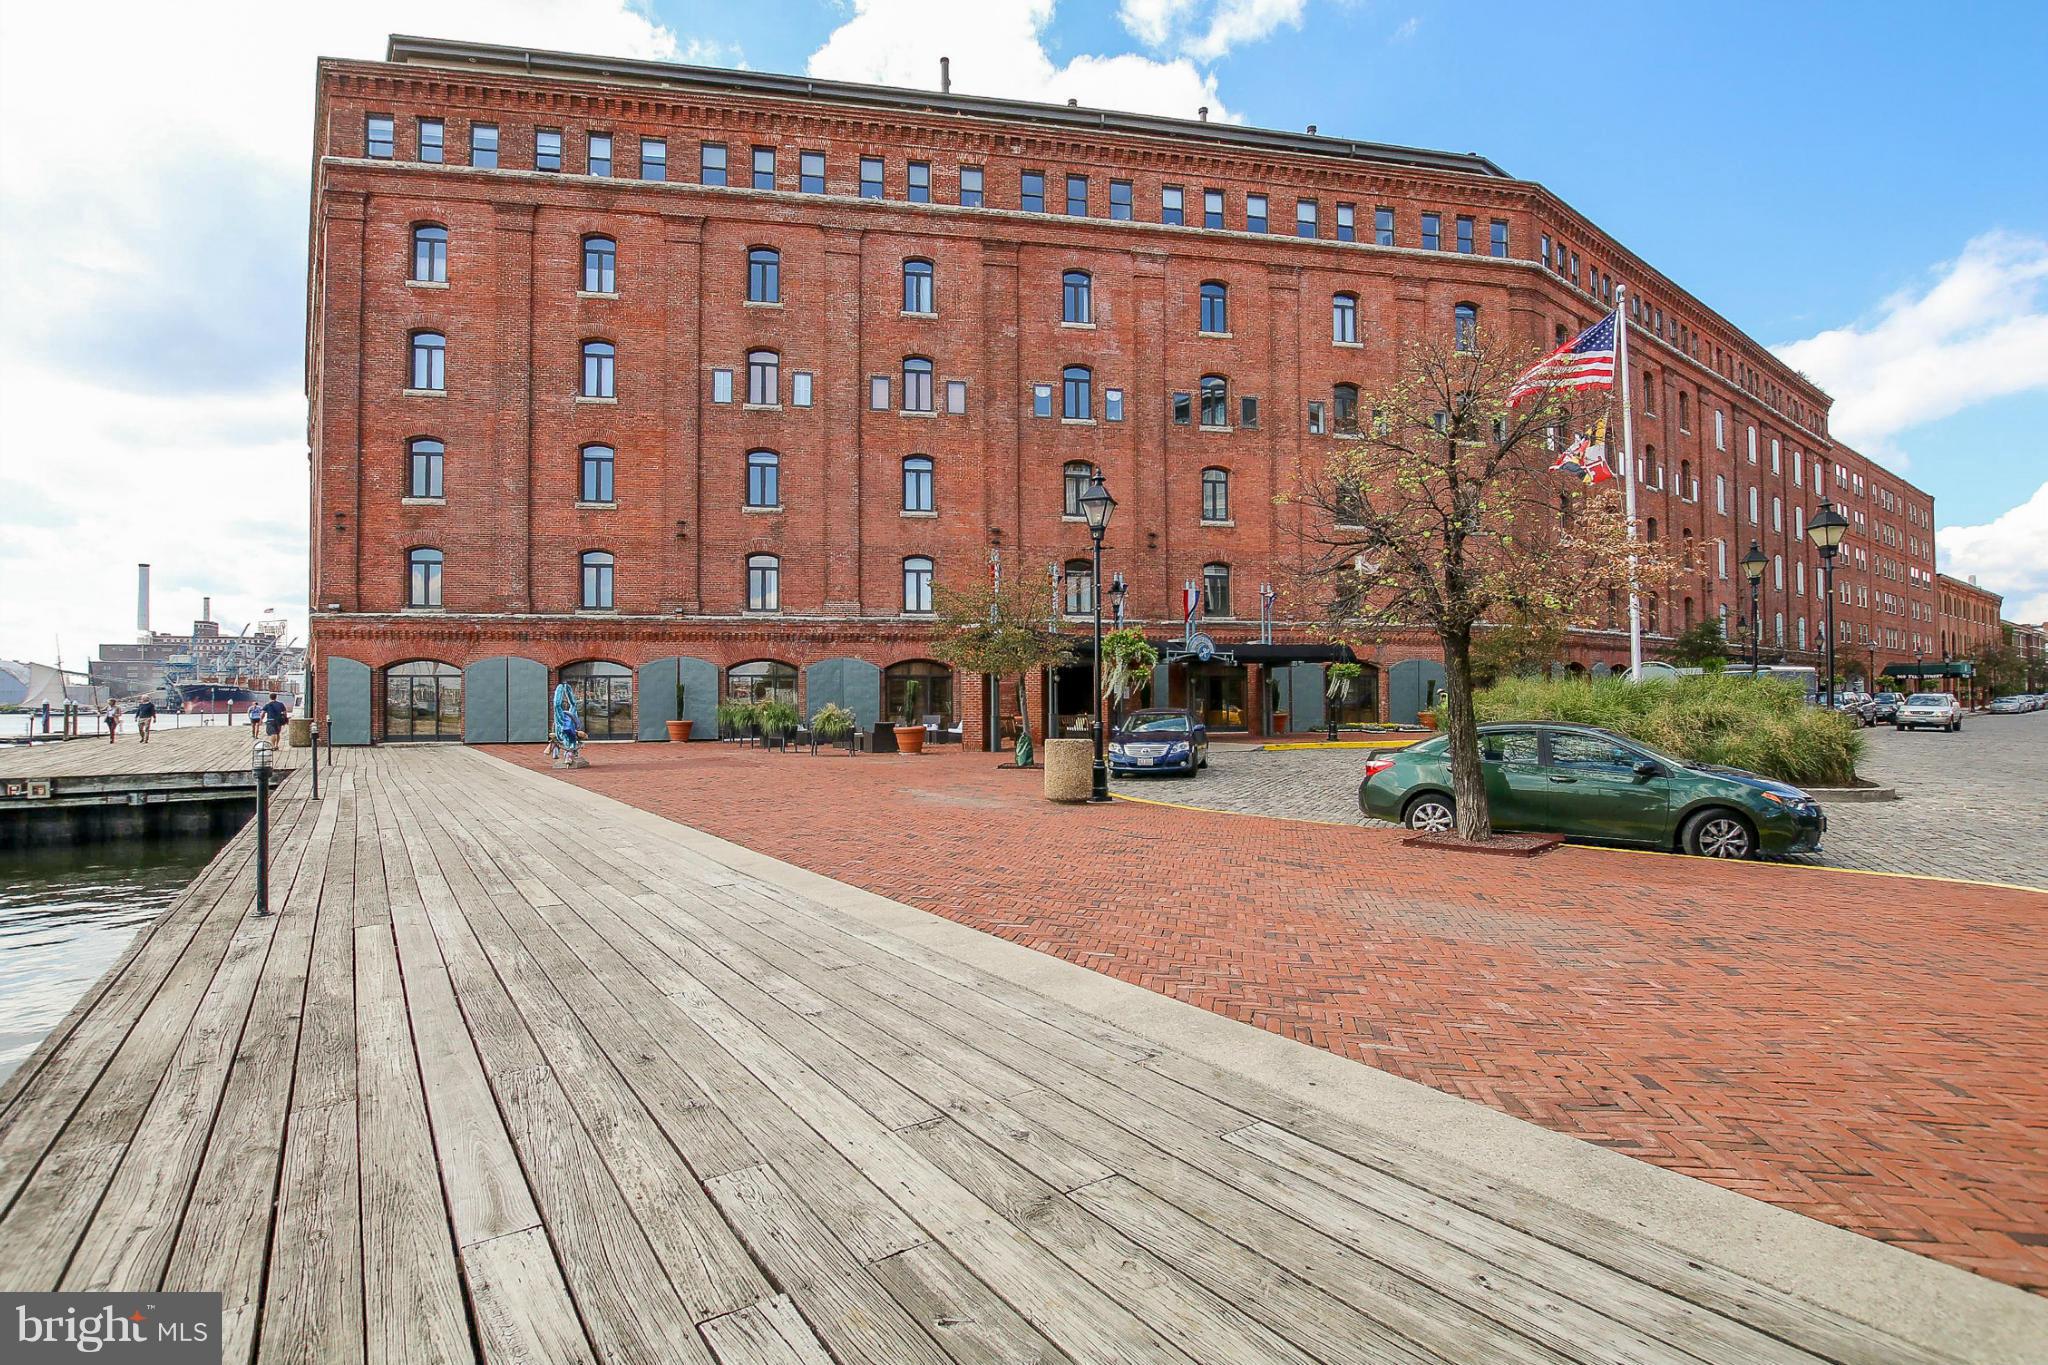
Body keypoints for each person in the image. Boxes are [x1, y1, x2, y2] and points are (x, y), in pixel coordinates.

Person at [550, 681, 588, 768]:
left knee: (569, 707)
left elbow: (571, 705)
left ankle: (569, 753)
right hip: (564, 728)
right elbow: (556, 706)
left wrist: (565, 688)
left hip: (569, 729)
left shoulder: (568, 717)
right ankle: (565, 752)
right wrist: (561, 688)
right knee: (559, 707)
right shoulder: (561, 719)